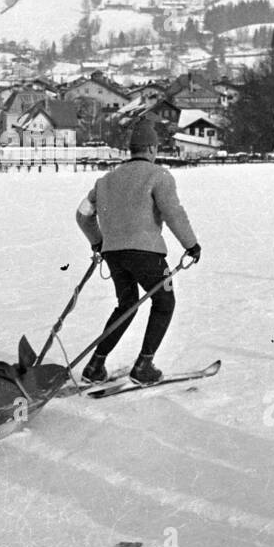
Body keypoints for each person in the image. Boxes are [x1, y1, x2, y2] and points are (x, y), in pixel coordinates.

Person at [75, 120, 201, 385]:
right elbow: (173, 213)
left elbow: (82, 215)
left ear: (131, 149)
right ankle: (144, 365)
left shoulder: (105, 180)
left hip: (114, 255)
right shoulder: (159, 176)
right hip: (146, 254)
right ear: (152, 149)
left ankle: (95, 365)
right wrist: (191, 244)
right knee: (164, 302)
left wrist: (98, 243)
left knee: (127, 304)